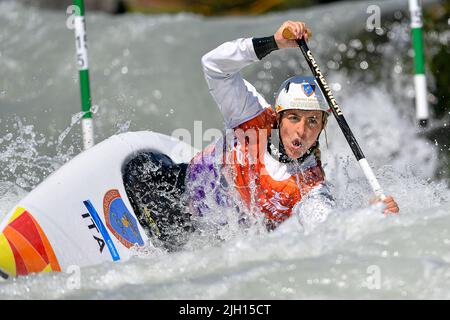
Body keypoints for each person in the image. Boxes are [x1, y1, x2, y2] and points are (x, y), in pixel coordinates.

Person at [123, 21, 399, 251]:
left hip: (207, 244)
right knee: (141, 165)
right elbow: (214, 66)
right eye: (293, 118)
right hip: (171, 190)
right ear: (278, 117)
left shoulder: (309, 186)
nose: (302, 131)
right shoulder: (251, 116)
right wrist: (274, 42)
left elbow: (327, 227)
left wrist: (371, 217)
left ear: (322, 127)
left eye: (312, 121)